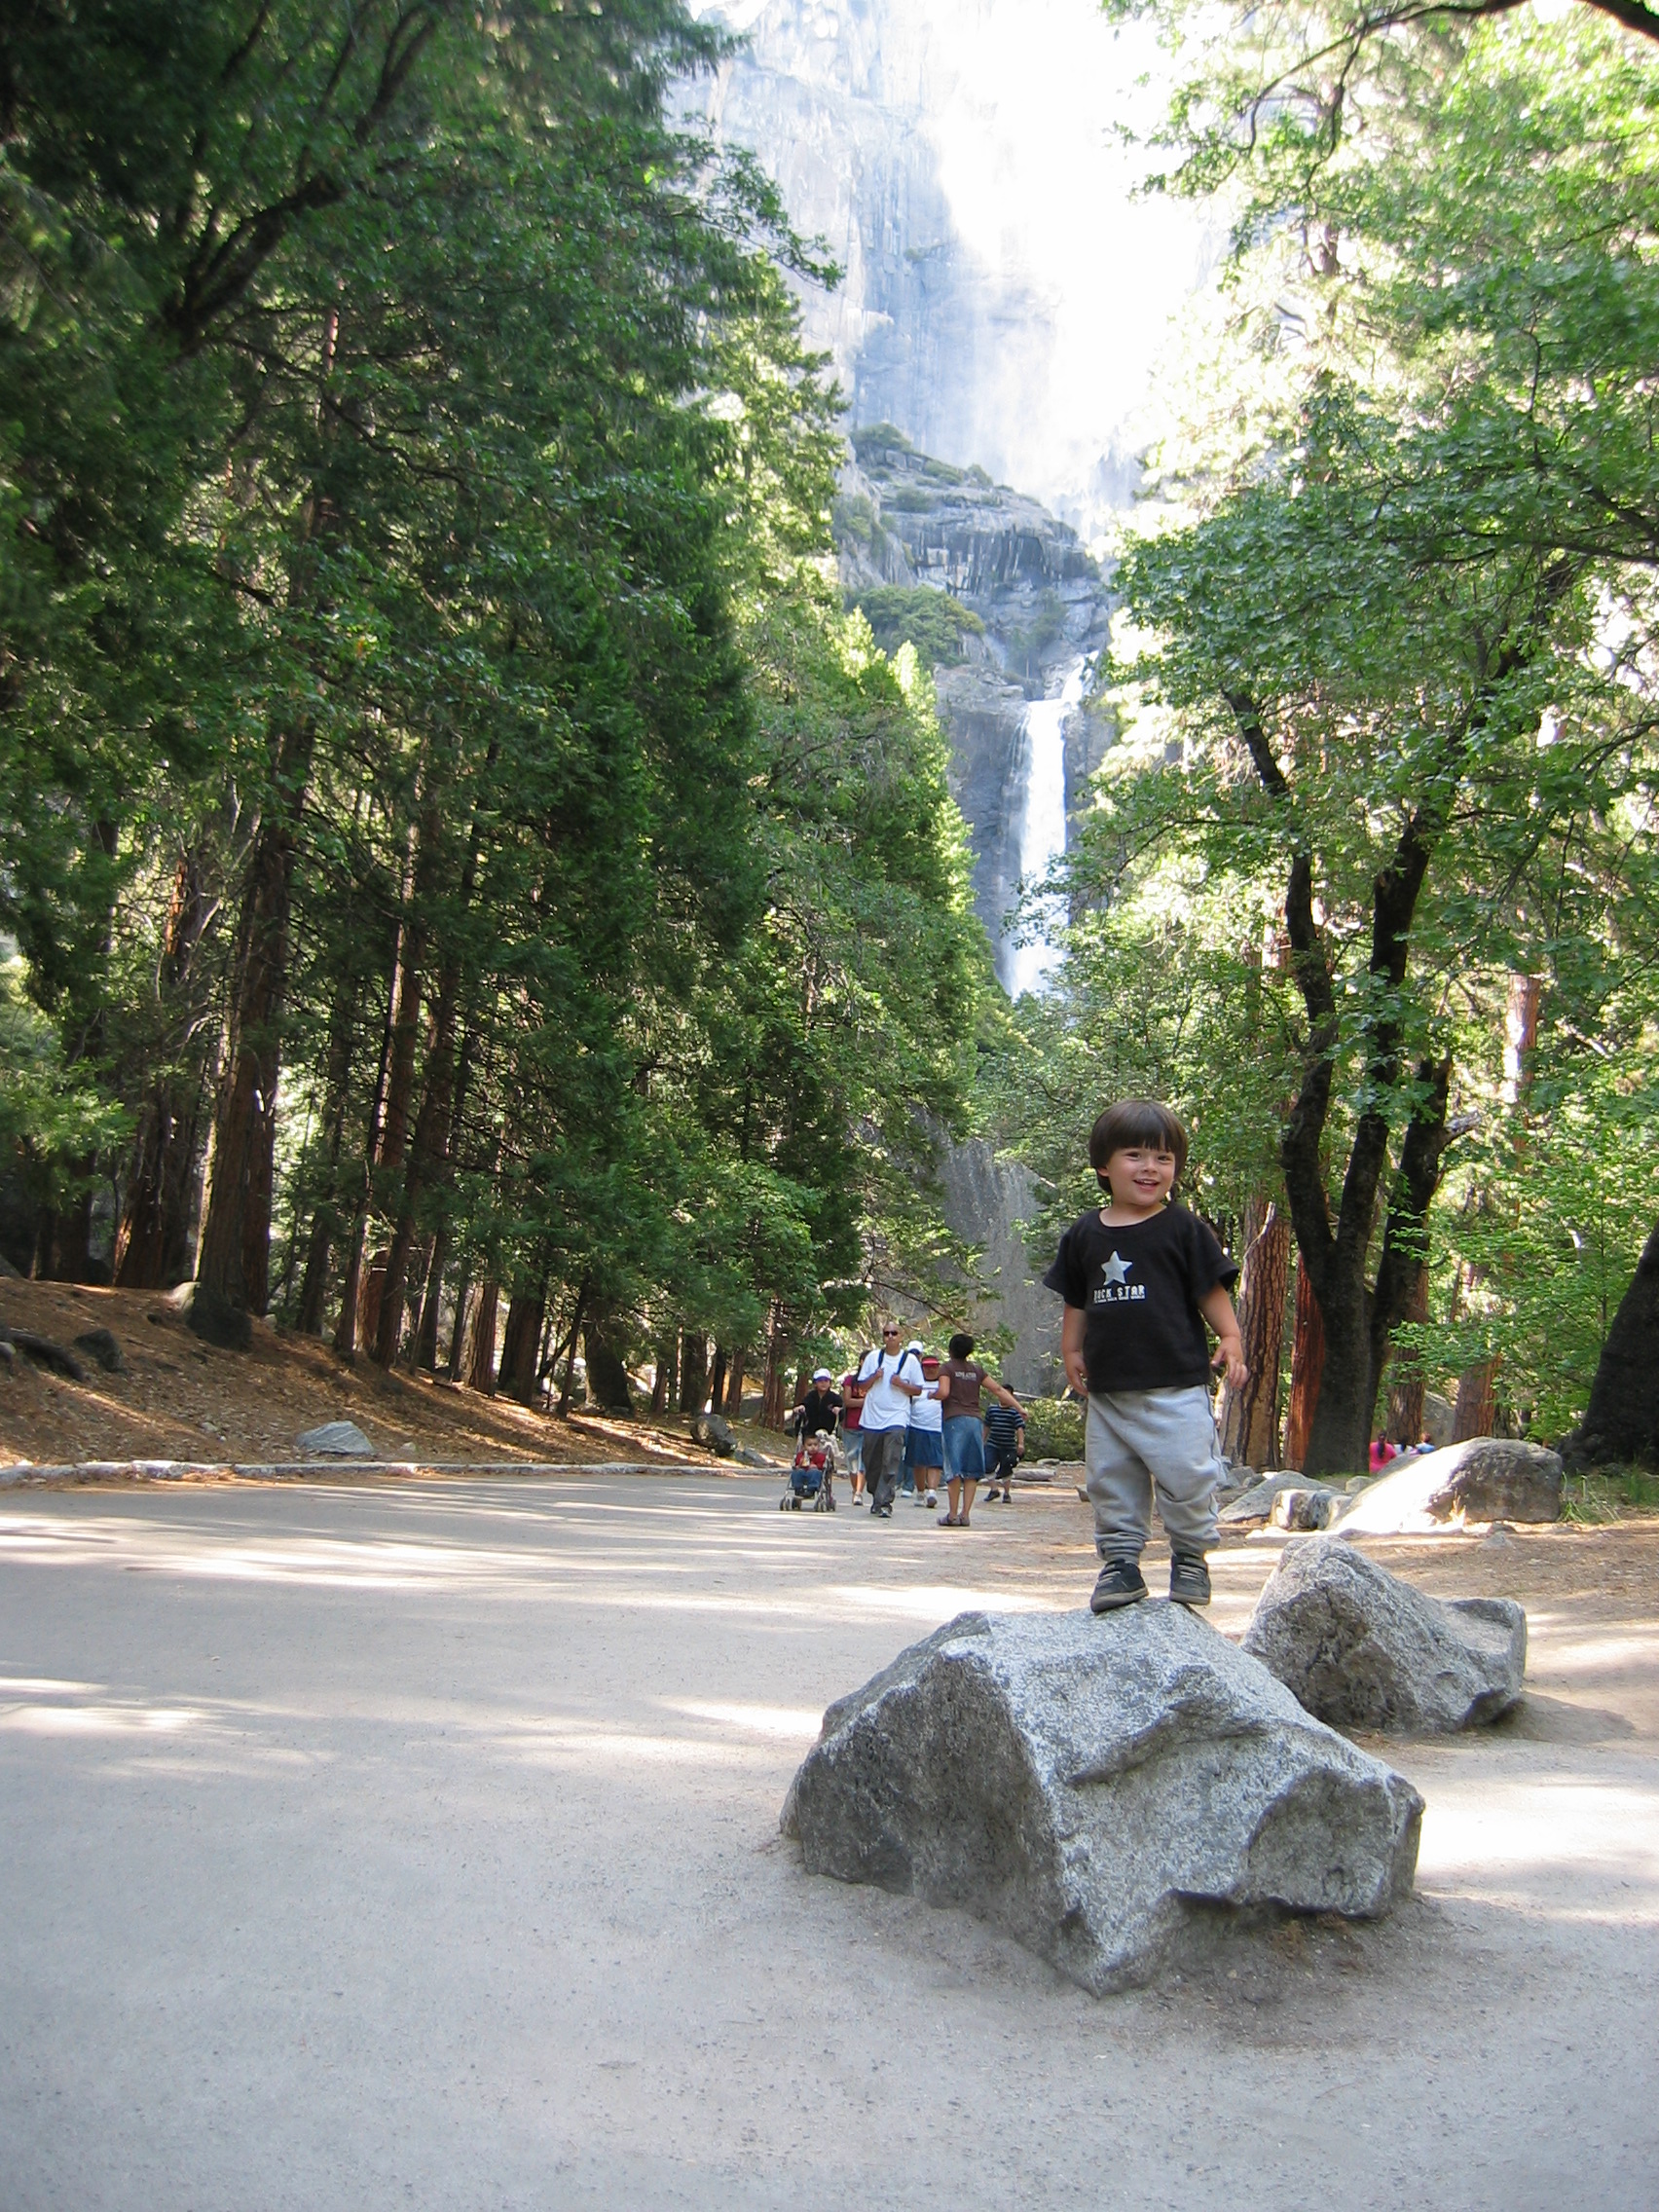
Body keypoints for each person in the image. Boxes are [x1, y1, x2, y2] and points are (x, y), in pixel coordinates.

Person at [1043, 1098, 1245, 1612]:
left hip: (1176, 1385)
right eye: (1135, 1155)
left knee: (1189, 1473)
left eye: (1163, 1158)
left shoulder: (1183, 1228)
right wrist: (1071, 1348)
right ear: (1103, 1166)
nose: (1150, 1168)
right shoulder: (1084, 1235)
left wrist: (1230, 1335)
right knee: (1111, 1479)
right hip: (1110, 1389)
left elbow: (1209, 1290)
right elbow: (1077, 1299)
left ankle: (1190, 1555)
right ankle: (1120, 1563)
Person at [937, 1332, 1023, 1527]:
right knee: (972, 1469)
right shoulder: (977, 1370)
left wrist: (932, 1395)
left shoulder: (947, 1368)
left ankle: (952, 1515)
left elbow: (944, 1392)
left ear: (950, 1350)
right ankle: (965, 1514)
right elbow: (998, 1389)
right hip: (975, 1421)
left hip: (954, 1421)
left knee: (954, 1468)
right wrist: (1019, 1407)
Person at [856, 1323, 924, 1516]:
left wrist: (901, 1384)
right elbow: (861, 1386)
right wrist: (874, 1377)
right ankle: (876, 1494)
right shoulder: (873, 1358)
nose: (890, 1336)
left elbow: (918, 1389)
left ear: (901, 1336)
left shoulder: (910, 1360)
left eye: (894, 1333)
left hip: (897, 1416)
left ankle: (885, 1501)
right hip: (872, 1417)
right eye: (887, 1333)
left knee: (891, 1459)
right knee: (871, 1461)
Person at [903, 1341, 943, 1509]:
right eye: (927, 1367)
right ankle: (920, 1491)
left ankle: (932, 1492)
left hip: (937, 1428)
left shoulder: (943, 1384)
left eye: (933, 1366)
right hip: (916, 1426)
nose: (930, 1369)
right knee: (918, 1462)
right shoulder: (915, 1383)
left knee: (935, 1461)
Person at [981, 1389, 1027, 1505]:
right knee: (987, 1465)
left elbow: (1020, 1428)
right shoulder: (992, 1410)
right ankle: (994, 1489)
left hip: (1008, 1445)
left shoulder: (1014, 1412)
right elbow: (987, 1425)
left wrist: (1020, 1444)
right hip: (992, 1444)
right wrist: (982, 1441)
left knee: (1006, 1469)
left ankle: (1006, 1494)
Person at [839, 1359, 868, 1499]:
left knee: (864, 1461)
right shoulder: (850, 1380)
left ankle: (859, 1492)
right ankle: (854, 1488)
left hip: (869, 1426)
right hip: (851, 1426)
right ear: (861, 1362)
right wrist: (866, 1402)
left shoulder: (877, 1381)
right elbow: (847, 1401)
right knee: (852, 1460)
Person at [799, 1368, 842, 1442]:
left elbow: (842, 1413)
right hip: (811, 1432)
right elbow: (804, 1405)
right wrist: (801, 1407)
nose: (823, 1383)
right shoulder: (810, 1396)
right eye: (820, 1381)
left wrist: (838, 1410)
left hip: (828, 1433)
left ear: (830, 1383)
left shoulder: (835, 1398)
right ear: (815, 1383)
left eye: (826, 1381)